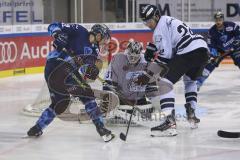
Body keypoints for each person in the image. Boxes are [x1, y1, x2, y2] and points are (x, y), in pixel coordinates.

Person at [27, 22, 115, 142]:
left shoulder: (94, 51)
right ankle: (101, 128)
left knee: (60, 103)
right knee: (87, 96)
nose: (105, 42)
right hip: (54, 65)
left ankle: (37, 128)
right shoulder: (80, 30)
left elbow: (86, 71)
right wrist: (57, 33)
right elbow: (54, 25)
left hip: (66, 71)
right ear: (98, 34)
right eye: (105, 38)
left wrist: (90, 72)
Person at [136, 4, 209, 136]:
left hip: (189, 51)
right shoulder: (168, 20)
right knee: (190, 81)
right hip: (203, 50)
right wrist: (153, 47)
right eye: (145, 21)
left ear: (156, 16)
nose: (147, 24)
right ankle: (191, 113)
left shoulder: (159, 28)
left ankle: (169, 123)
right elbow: (170, 44)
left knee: (164, 83)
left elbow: (166, 57)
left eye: (149, 21)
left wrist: (147, 74)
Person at [103, 41, 159, 118]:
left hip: (138, 95)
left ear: (140, 55)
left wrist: (155, 101)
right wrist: (110, 98)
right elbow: (108, 81)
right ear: (126, 53)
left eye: (135, 57)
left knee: (154, 100)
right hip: (121, 94)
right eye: (130, 56)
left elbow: (152, 83)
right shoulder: (118, 60)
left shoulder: (146, 61)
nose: (132, 59)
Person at [196, 11, 240, 91]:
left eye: (220, 19)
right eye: (216, 20)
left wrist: (237, 41)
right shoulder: (212, 31)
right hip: (221, 50)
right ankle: (198, 83)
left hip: (235, 48)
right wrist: (214, 55)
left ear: (223, 19)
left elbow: (238, 34)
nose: (218, 21)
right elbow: (211, 46)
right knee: (211, 64)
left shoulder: (231, 25)